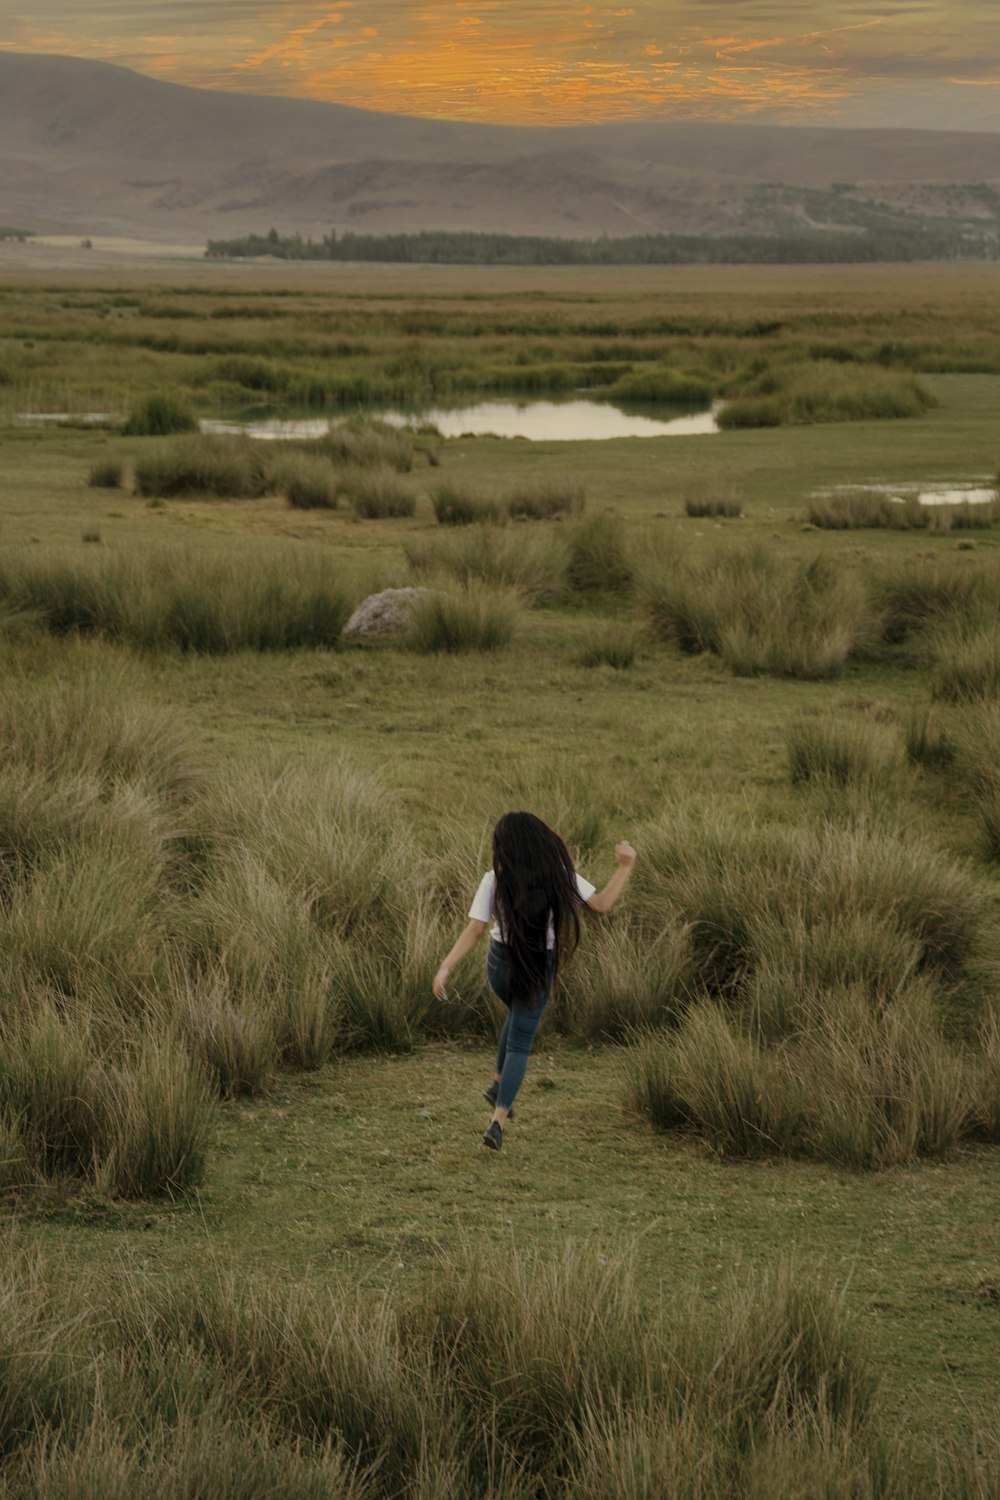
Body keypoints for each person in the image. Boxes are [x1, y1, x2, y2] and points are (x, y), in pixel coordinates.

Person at [432, 811, 636, 1150]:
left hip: (498, 967)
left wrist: (445, 966)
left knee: (515, 1016)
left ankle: (498, 1083)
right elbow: (601, 905)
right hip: (538, 967)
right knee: (520, 1042)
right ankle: (497, 1121)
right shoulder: (560, 876)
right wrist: (625, 866)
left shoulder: (493, 879)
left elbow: (475, 929)